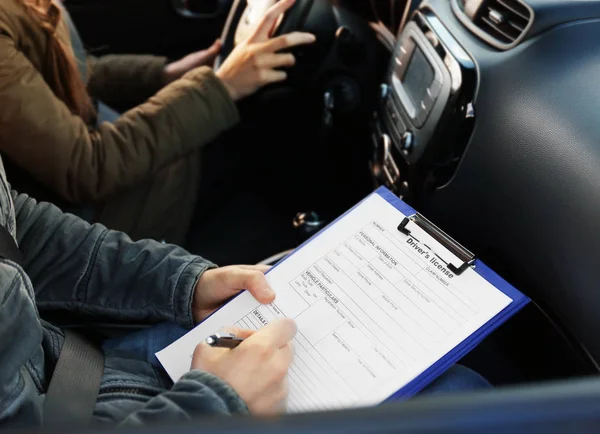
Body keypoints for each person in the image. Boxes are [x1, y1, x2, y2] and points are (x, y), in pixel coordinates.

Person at [0, 150, 491, 428]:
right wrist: (216, 403)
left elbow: (18, 228)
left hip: (73, 369)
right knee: (468, 400)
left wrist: (183, 284)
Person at [0, 0, 316, 245]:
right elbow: (85, 166)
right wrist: (221, 87)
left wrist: (166, 75)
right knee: (261, 168)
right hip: (92, 227)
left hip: (103, 176)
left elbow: (75, 70)